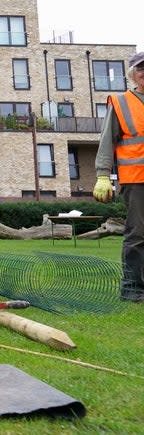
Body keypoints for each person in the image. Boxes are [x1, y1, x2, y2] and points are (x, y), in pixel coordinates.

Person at [93, 50, 144, 303]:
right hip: (136, 180)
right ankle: (133, 290)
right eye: (141, 69)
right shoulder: (122, 102)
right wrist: (103, 175)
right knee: (137, 235)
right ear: (133, 75)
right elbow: (106, 141)